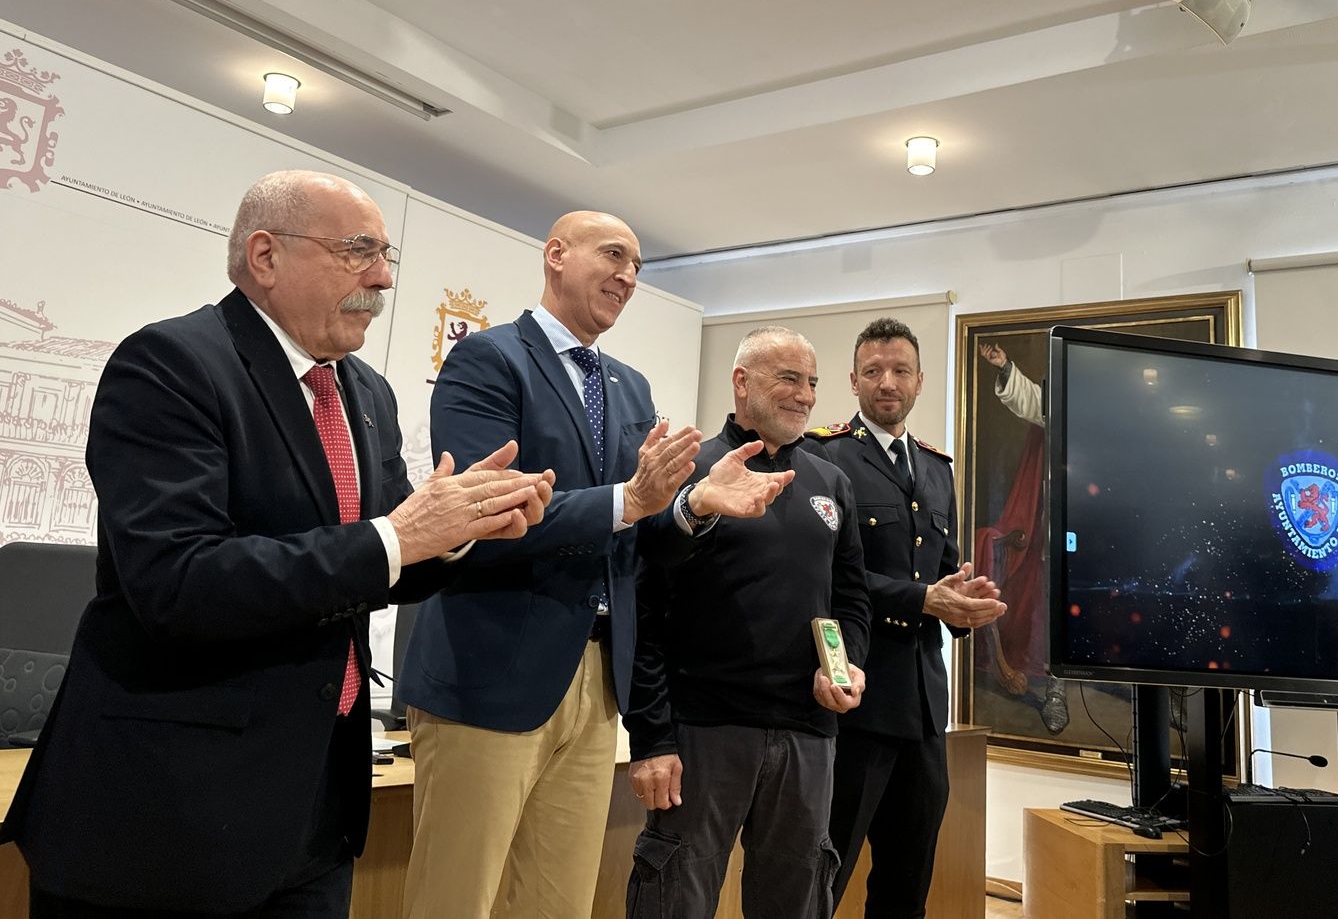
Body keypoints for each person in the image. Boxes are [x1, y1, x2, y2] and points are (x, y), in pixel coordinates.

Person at [0, 170, 553, 917]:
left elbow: (377, 562)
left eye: (385, 254)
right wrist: (400, 533)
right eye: (358, 250)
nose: (383, 276)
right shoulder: (170, 364)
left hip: (315, 810)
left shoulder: (367, 393)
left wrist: (459, 533)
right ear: (265, 255)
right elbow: (179, 580)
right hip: (168, 817)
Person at [398, 212, 784, 919]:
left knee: (557, 905)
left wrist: (694, 506)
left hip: (596, 684)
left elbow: (634, 536)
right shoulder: (488, 359)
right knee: (454, 901)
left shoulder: (631, 387)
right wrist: (628, 500)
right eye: (613, 255)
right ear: (555, 256)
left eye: (638, 265)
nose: (629, 276)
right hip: (491, 671)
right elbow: (485, 513)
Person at [624, 326, 872, 919]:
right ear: (741, 381)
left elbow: (851, 598)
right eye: (788, 378)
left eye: (811, 382)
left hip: (809, 736)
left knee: (796, 900)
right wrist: (652, 738)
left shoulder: (830, 482)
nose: (805, 395)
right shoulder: (689, 470)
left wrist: (848, 667)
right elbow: (644, 611)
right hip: (702, 734)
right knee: (675, 898)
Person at [804, 317, 1004, 918]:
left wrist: (964, 606)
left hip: (923, 710)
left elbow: (942, 571)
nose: (886, 382)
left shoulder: (936, 467)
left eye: (899, 371)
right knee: (823, 876)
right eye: (873, 371)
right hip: (856, 700)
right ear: (853, 381)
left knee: (908, 879)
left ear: (920, 382)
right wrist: (923, 601)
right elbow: (826, 577)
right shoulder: (826, 456)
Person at [973, 341, 1070, 733]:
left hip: (1115, 524)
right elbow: (1033, 401)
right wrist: (1006, 366)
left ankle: (1158, 694)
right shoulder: (1061, 400)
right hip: (1063, 524)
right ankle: (1056, 692)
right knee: (1056, 608)